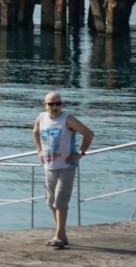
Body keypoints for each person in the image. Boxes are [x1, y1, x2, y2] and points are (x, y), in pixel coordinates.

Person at [32, 91, 94, 248]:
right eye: (51, 104)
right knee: (51, 202)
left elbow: (88, 133)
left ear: (62, 104)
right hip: (49, 166)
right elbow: (35, 132)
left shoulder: (67, 119)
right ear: (44, 105)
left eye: (58, 104)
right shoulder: (41, 118)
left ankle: (59, 235)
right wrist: (39, 150)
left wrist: (80, 153)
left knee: (60, 200)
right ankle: (62, 234)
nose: (55, 107)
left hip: (67, 166)